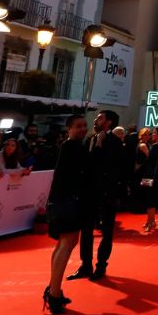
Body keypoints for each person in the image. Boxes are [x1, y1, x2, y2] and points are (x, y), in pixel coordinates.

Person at [69, 109, 123, 283]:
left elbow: (112, 167)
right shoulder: (89, 138)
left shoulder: (115, 142)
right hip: (89, 193)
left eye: (100, 118)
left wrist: (100, 145)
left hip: (107, 193)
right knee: (86, 230)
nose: (96, 120)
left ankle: (101, 265)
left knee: (106, 231)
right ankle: (85, 265)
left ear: (109, 122)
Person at [44, 114, 89, 315]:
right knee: (67, 243)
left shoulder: (69, 147)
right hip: (67, 202)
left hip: (61, 201)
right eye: (78, 126)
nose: (83, 129)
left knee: (63, 244)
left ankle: (53, 289)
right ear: (69, 129)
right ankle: (54, 294)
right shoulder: (73, 147)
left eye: (84, 125)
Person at [136, 127, 158, 233]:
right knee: (150, 197)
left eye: (154, 133)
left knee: (149, 197)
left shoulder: (156, 146)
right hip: (155, 175)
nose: (152, 135)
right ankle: (150, 221)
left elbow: (149, 159)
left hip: (150, 175)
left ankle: (151, 222)